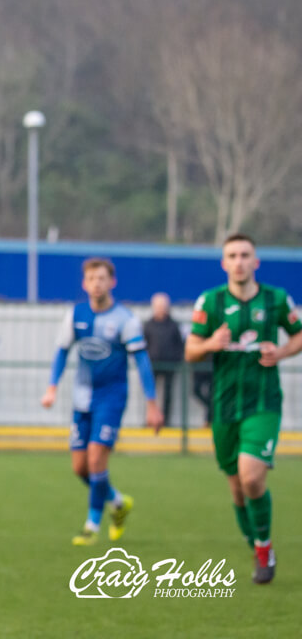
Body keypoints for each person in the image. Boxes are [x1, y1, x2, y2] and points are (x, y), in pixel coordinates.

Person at [184, 233, 302, 585]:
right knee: (237, 487)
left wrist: (280, 352)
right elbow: (190, 351)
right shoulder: (211, 301)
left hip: (263, 403)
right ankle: (257, 546)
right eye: (232, 255)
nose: (239, 261)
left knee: (252, 477)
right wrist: (210, 343)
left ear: (256, 261)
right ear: (224, 263)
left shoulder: (276, 299)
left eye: (245, 255)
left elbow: (299, 334)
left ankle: (263, 548)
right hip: (223, 407)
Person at [40, 257, 163, 546]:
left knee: (96, 459)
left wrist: (152, 403)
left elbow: (142, 361)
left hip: (111, 398)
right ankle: (118, 502)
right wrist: (52, 387)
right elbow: (61, 352)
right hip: (82, 398)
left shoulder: (126, 320)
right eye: (91, 279)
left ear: (112, 282)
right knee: (80, 468)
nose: (97, 283)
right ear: (84, 284)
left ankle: (91, 526)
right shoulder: (76, 315)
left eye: (102, 278)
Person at [143, 292, 185, 426]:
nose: (161, 308)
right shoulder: (148, 325)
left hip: (170, 364)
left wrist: (177, 360)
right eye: (158, 306)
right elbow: (144, 344)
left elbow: (180, 344)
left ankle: (165, 420)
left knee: (168, 393)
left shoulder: (173, 325)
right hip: (152, 365)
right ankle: (150, 419)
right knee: (151, 393)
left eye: (163, 306)